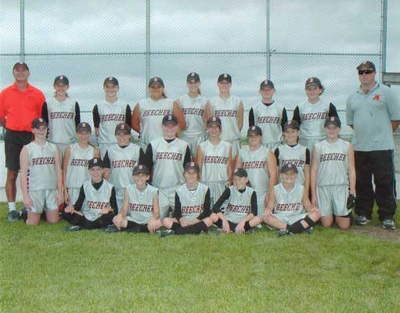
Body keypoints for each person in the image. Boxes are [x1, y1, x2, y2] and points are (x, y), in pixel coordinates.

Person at [346, 61, 400, 230]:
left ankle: (387, 216)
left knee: (384, 182)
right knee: (362, 182)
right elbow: (351, 122)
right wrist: (365, 135)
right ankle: (363, 213)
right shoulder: (352, 96)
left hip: (382, 147)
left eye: (367, 71)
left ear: (374, 73)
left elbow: (396, 119)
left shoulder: (386, 93)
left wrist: (381, 134)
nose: (364, 75)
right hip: (360, 147)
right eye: (361, 72)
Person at [0, 62, 46, 221]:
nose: (20, 73)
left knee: (31, 174)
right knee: (12, 172)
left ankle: (29, 206)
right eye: (17, 70)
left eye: (23, 70)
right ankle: (12, 209)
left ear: (28, 73)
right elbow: (1, 118)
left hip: (31, 137)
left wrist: (33, 133)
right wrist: (13, 128)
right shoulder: (5, 93)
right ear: (13, 73)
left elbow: (42, 118)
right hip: (12, 136)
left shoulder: (38, 94)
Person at [311, 117, 356, 230]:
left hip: (341, 186)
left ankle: (342, 214)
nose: (331, 131)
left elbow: (351, 169)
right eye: (328, 128)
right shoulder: (318, 146)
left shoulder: (347, 145)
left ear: (339, 129)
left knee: (344, 226)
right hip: (323, 186)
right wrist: (313, 194)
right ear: (324, 129)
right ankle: (333, 213)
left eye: (334, 128)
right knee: (326, 224)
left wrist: (352, 192)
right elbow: (314, 170)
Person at [144, 114, 191, 219]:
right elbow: (146, 169)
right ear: (162, 126)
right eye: (167, 125)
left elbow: (188, 169)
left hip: (178, 188)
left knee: (185, 219)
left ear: (177, 127)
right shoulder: (153, 145)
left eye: (173, 125)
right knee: (156, 220)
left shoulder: (184, 145)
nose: (170, 128)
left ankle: (172, 217)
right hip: (159, 189)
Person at [19, 118, 63, 225]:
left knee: (54, 221)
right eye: (38, 128)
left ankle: (42, 211)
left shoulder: (53, 148)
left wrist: (60, 192)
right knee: (33, 223)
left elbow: (58, 170)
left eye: (44, 128)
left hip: (51, 189)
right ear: (33, 130)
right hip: (35, 190)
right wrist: (25, 196)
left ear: (47, 130)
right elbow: (23, 174)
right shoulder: (27, 149)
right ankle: (25, 212)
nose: (41, 131)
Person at [263, 163, 320, 237]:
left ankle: (287, 229)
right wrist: (267, 210)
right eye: (286, 173)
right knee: (265, 217)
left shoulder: (301, 189)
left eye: (292, 174)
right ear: (281, 175)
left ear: (296, 175)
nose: (289, 176)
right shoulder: (275, 189)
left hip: (297, 216)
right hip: (281, 217)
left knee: (316, 214)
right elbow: (270, 207)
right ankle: (297, 228)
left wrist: (313, 209)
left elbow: (308, 206)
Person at [62, 157, 117, 231]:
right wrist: (72, 208)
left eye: (98, 169)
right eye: (92, 170)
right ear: (89, 171)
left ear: (102, 170)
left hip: (101, 216)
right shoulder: (85, 185)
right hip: (87, 216)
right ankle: (97, 226)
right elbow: (78, 205)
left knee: (110, 215)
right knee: (65, 213)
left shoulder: (110, 187)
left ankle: (83, 225)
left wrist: (109, 209)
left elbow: (115, 209)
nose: (95, 172)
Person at [131, 77, 185, 150]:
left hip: (166, 145)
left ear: (163, 88)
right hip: (147, 145)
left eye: (159, 87)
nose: (156, 89)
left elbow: (182, 124)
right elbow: (134, 124)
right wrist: (145, 132)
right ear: (149, 89)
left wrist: (171, 134)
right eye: (153, 87)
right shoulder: (141, 104)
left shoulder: (171, 103)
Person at [161, 162, 213, 236]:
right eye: (188, 173)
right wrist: (181, 219)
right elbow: (177, 212)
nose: (191, 175)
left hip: (198, 219)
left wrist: (195, 221)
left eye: (193, 173)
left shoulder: (205, 189)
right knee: (165, 221)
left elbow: (207, 211)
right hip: (184, 220)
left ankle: (178, 231)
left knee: (209, 220)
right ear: (184, 174)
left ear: (197, 174)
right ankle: (199, 230)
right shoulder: (179, 190)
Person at [235, 126, 277, 217]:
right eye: (250, 136)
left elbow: (273, 176)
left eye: (256, 136)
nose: (253, 138)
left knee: (261, 218)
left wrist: (270, 196)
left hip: (262, 193)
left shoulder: (267, 152)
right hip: (246, 193)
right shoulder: (241, 153)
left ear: (261, 137)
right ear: (247, 137)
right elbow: (236, 175)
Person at [109, 165, 162, 233]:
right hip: (133, 219)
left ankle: (135, 228)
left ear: (148, 177)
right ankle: (142, 229)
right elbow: (125, 208)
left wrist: (153, 218)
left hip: (147, 220)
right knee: (116, 219)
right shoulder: (128, 189)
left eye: (143, 175)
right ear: (133, 177)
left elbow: (157, 212)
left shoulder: (154, 190)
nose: (140, 178)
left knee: (158, 223)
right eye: (137, 175)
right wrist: (120, 216)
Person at [103, 123, 144, 211]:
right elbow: (105, 173)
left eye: (125, 134)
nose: (122, 137)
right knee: (116, 216)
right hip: (116, 190)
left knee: (133, 217)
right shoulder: (110, 150)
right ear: (115, 136)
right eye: (119, 134)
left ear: (129, 135)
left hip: (133, 189)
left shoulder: (137, 149)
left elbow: (143, 172)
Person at [292, 77, 338, 153]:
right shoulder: (300, 107)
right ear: (305, 91)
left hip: (324, 141)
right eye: (309, 89)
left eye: (314, 88)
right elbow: (294, 127)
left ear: (320, 90)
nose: (312, 91)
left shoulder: (328, 106)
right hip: (304, 142)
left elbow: (336, 126)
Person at [42, 75, 80, 164]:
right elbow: (44, 124)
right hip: (53, 143)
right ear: (54, 86)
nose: (61, 88)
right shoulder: (48, 103)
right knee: (55, 173)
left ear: (68, 87)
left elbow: (77, 124)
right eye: (58, 85)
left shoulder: (73, 103)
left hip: (70, 143)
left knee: (68, 172)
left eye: (63, 85)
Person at [205, 73, 244, 162]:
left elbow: (240, 123)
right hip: (217, 142)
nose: (224, 85)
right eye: (222, 83)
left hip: (233, 142)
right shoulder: (211, 102)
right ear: (218, 84)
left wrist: (233, 134)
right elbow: (209, 123)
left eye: (227, 83)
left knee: (234, 171)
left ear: (230, 84)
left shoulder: (237, 101)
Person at [210, 168, 261, 234]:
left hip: (242, 220)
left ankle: (227, 229)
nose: (237, 182)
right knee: (213, 216)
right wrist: (224, 220)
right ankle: (242, 230)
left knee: (257, 220)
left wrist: (242, 222)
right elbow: (215, 207)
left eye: (240, 179)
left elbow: (254, 212)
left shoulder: (251, 192)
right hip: (229, 219)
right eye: (235, 180)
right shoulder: (229, 190)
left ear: (246, 180)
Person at [197, 116, 232, 207]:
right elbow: (199, 168)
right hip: (206, 183)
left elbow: (229, 167)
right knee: (207, 211)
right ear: (207, 129)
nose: (214, 129)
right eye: (211, 127)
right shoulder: (202, 146)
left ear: (220, 129)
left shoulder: (227, 146)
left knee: (222, 211)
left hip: (222, 183)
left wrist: (230, 182)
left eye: (216, 127)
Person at [92, 76, 131, 158]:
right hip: (104, 144)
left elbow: (128, 127)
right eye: (107, 87)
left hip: (120, 143)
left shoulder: (124, 106)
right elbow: (97, 129)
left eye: (113, 87)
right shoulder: (98, 106)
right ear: (104, 88)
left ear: (118, 88)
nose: (110, 89)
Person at [63, 122, 100, 207]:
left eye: (86, 133)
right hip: (72, 188)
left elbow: (98, 174)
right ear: (76, 134)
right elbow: (64, 171)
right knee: (72, 214)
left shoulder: (94, 151)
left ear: (90, 134)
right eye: (81, 133)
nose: (83, 136)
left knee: (87, 214)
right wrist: (65, 192)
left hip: (88, 189)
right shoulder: (70, 149)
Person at [175, 72, 207, 160]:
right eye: (190, 82)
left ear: (199, 83)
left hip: (200, 136)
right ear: (187, 84)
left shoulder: (205, 101)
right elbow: (176, 121)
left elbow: (207, 121)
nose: (193, 85)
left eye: (195, 82)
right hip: (184, 136)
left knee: (199, 165)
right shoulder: (180, 101)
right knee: (185, 164)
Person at [249, 79, 288, 150]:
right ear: (260, 92)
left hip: (277, 144)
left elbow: (285, 128)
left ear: (274, 91)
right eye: (264, 90)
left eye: (269, 89)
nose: (266, 92)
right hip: (260, 145)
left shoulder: (280, 108)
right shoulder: (254, 108)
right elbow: (252, 129)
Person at [275, 120, 310, 192]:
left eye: (293, 131)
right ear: (283, 133)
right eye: (287, 132)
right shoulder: (278, 150)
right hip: (282, 190)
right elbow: (276, 173)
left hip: (300, 188)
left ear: (298, 132)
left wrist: (306, 191)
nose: (290, 134)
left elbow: (307, 173)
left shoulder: (305, 150)